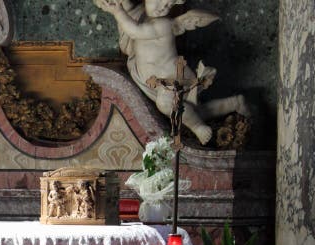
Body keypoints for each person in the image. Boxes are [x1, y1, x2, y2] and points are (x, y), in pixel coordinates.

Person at [93, 0, 250, 145]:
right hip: (156, 81)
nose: (162, 7)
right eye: (159, 0)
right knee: (193, 111)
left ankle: (198, 127)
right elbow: (130, 11)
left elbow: (134, 32)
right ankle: (234, 103)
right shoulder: (143, 15)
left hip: (173, 77)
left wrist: (117, 11)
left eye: (168, 4)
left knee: (167, 104)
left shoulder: (163, 24)